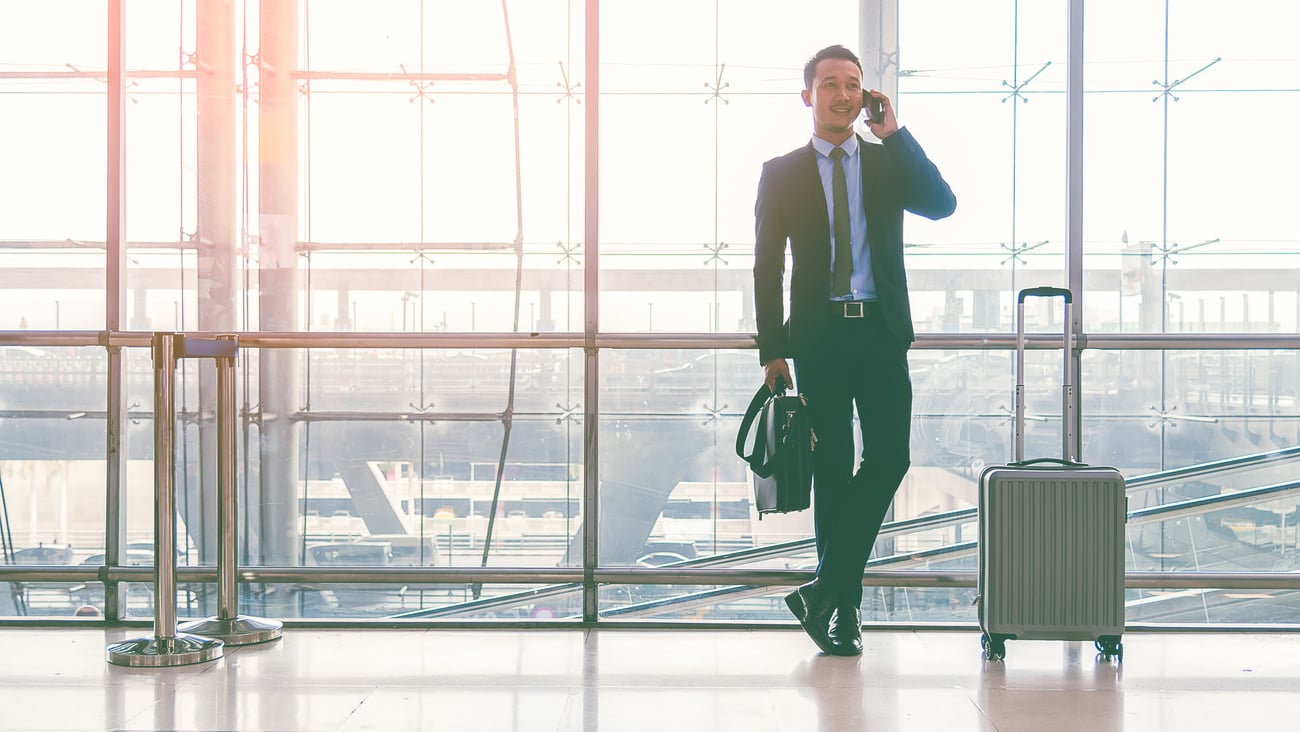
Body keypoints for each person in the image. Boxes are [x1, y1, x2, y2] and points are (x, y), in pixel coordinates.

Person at [753, 44, 955, 655]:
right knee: (833, 470)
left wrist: (896, 135)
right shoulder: (781, 172)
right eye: (831, 84)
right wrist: (772, 348)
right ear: (808, 95)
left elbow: (942, 205)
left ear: (865, 95)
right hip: (819, 337)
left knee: (890, 457)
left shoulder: (886, 160)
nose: (843, 95)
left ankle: (826, 589)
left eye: (853, 85)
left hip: (880, 331)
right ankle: (843, 611)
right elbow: (767, 265)